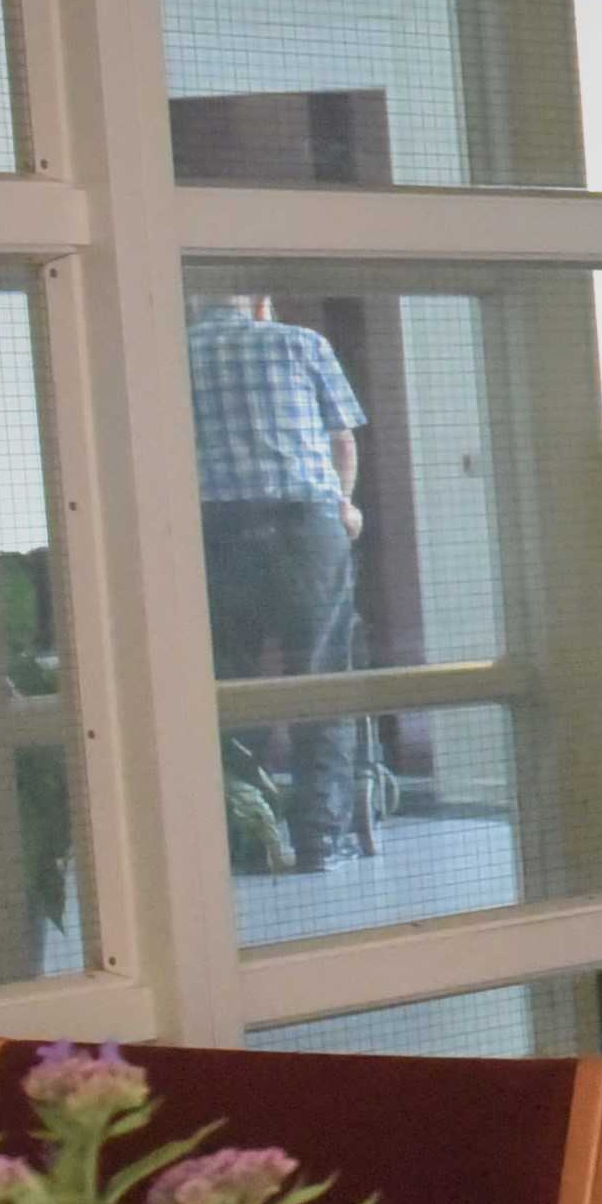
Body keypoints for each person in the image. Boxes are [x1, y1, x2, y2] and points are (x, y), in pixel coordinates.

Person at [184, 292, 374, 866]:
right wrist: (345, 504)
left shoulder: (170, 353)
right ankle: (320, 839)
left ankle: (246, 838)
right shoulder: (301, 342)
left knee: (227, 680)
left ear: (193, 300)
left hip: (214, 530)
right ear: (261, 301)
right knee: (320, 675)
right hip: (304, 525)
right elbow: (343, 438)